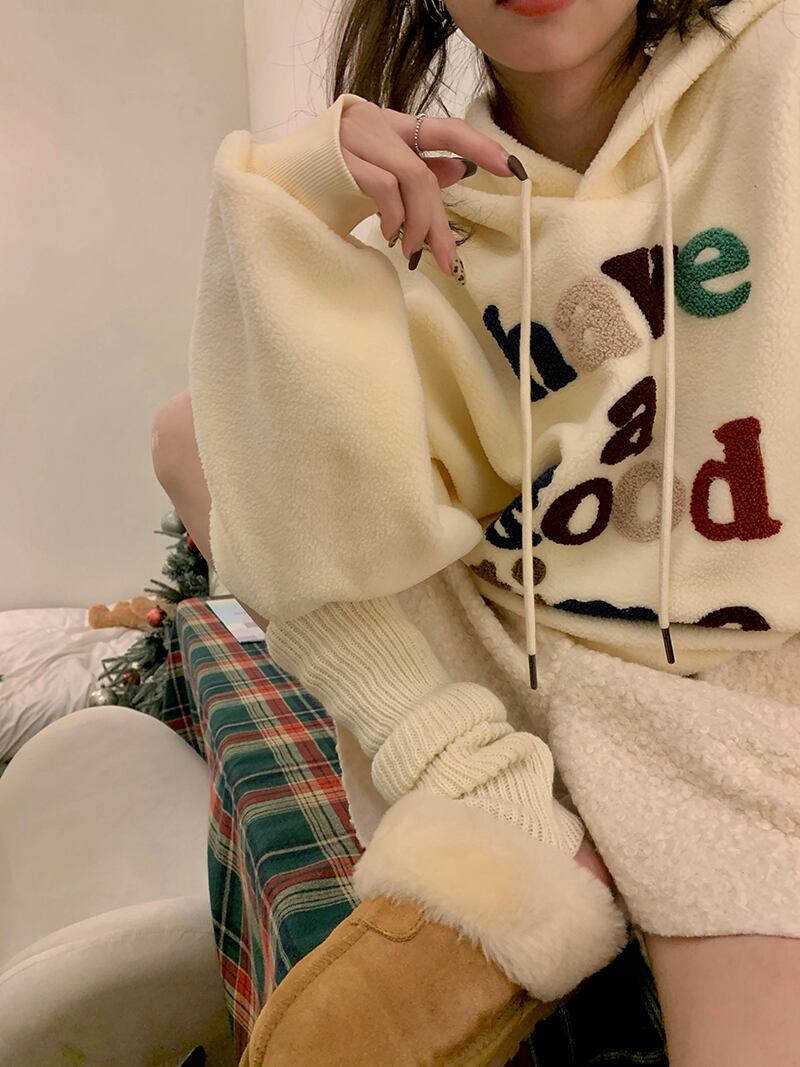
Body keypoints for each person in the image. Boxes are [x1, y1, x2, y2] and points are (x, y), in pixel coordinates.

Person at [151, 0, 800, 1063]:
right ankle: (494, 800)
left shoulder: (771, 72)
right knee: (188, 434)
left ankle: (526, 855)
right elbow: (283, 486)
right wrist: (291, 198)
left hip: (743, 678)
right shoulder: (419, 212)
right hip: (519, 646)